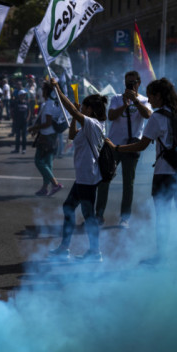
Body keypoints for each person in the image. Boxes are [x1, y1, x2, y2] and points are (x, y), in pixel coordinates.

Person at [105, 78, 177, 263]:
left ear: (159, 96)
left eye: (151, 96)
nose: (149, 101)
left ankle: (161, 257)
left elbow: (141, 145)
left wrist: (117, 148)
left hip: (164, 173)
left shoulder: (157, 118)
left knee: (163, 217)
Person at [48, 78, 108, 262]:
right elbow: (73, 135)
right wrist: (74, 117)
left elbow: (73, 110)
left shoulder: (94, 124)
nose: (81, 108)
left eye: (84, 106)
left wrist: (57, 88)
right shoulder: (88, 126)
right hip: (84, 176)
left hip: (87, 177)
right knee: (69, 207)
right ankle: (65, 247)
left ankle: (95, 252)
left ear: (91, 110)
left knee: (88, 215)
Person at [95, 71, 152, 228]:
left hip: (132, 146)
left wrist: (135, 101)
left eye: (133, 82)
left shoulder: (144, 100)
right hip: (113, 145)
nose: (130, 85)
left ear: (138, 83)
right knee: (104, 179)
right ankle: (98, 215)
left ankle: (124, 218)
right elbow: (111, 116)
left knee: (129, 184)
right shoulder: (116, 98)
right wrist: (125, 104)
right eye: (127, 82)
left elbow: (148, 115)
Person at [28, 82, 63, 196]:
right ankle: (44, 188)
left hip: (46, 138)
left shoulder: (48, 104)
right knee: (48, 163)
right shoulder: (54, 103)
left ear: (46, 92)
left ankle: (55, 184)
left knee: (39, 161)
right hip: (52, 136)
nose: (41, 92)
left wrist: (34, 127)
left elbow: (47, 123)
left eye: (43, 90)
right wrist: (37, 129)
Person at [10, 82, 29, 154]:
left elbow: (29, 111)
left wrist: (27, 118)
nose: (24, 96)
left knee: (24, 136)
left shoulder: (26, 103)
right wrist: (13, 119)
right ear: (19, 95)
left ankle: (24, 149)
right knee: (17, 136)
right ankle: (17, 149)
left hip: (24, 122)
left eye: (24, 95)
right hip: (17, 121)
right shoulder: (16, 102)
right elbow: (12, 111)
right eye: (23, 95)